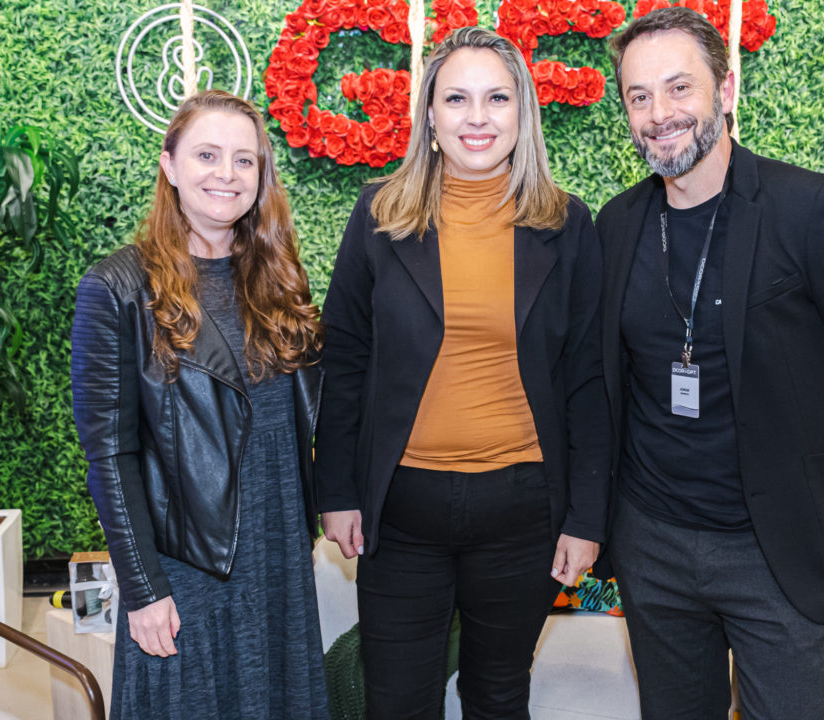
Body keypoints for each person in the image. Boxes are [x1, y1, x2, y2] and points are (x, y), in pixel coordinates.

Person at [595, 8, 824, 719]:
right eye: (639, 96)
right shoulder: (618, 224)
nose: (660, 114)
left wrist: (798, 431)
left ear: (725, 89)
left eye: (679, 88)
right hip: (652, 544)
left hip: (778, 552)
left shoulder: (811, 208)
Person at [315, 26, 610, 720]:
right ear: (430, 115)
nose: (477, 117)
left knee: (498, 695)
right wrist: (337, 490)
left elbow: (588, 380)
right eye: (457, 98)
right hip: (402, 511)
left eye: (496, 98)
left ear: (523, 113)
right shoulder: (379, 214)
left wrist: (585, 518)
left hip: (524, 510)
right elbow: (346, 358)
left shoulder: (568, 225)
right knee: (396, 702)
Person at [70, 90, 328, 719]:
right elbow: (109, 454)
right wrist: (143, 588)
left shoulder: (279, 278)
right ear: (169, 165)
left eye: (245, 161)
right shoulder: (117, 288)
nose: (227, 174)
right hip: (187, 558)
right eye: (207, 155)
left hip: (278, 543)